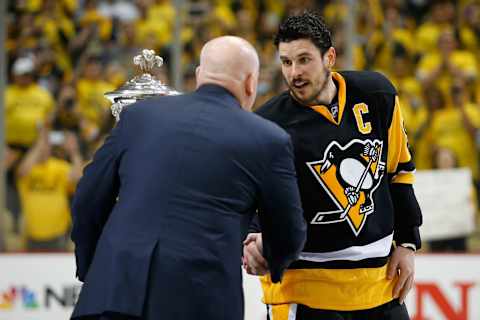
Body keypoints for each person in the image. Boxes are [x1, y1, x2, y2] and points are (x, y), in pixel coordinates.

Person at [70, 36, 306, 320]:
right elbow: (289, 231)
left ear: (198, 76)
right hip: (197, 303)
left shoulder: (138, 116)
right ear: (250, 83)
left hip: (109, 296)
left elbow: (86, 199)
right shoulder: (268, 139)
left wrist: (94, 269)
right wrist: (272, 258)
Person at [243, 12, 423, 320]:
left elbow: (399, 172)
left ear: (330, 57)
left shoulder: (378, 95)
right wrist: (252, 243)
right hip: (304, 291)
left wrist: (407, 243)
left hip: (380, 287)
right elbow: (254, 202)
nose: (294, 73)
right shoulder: (267, 124)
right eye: (286, 62)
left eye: (304, 60)